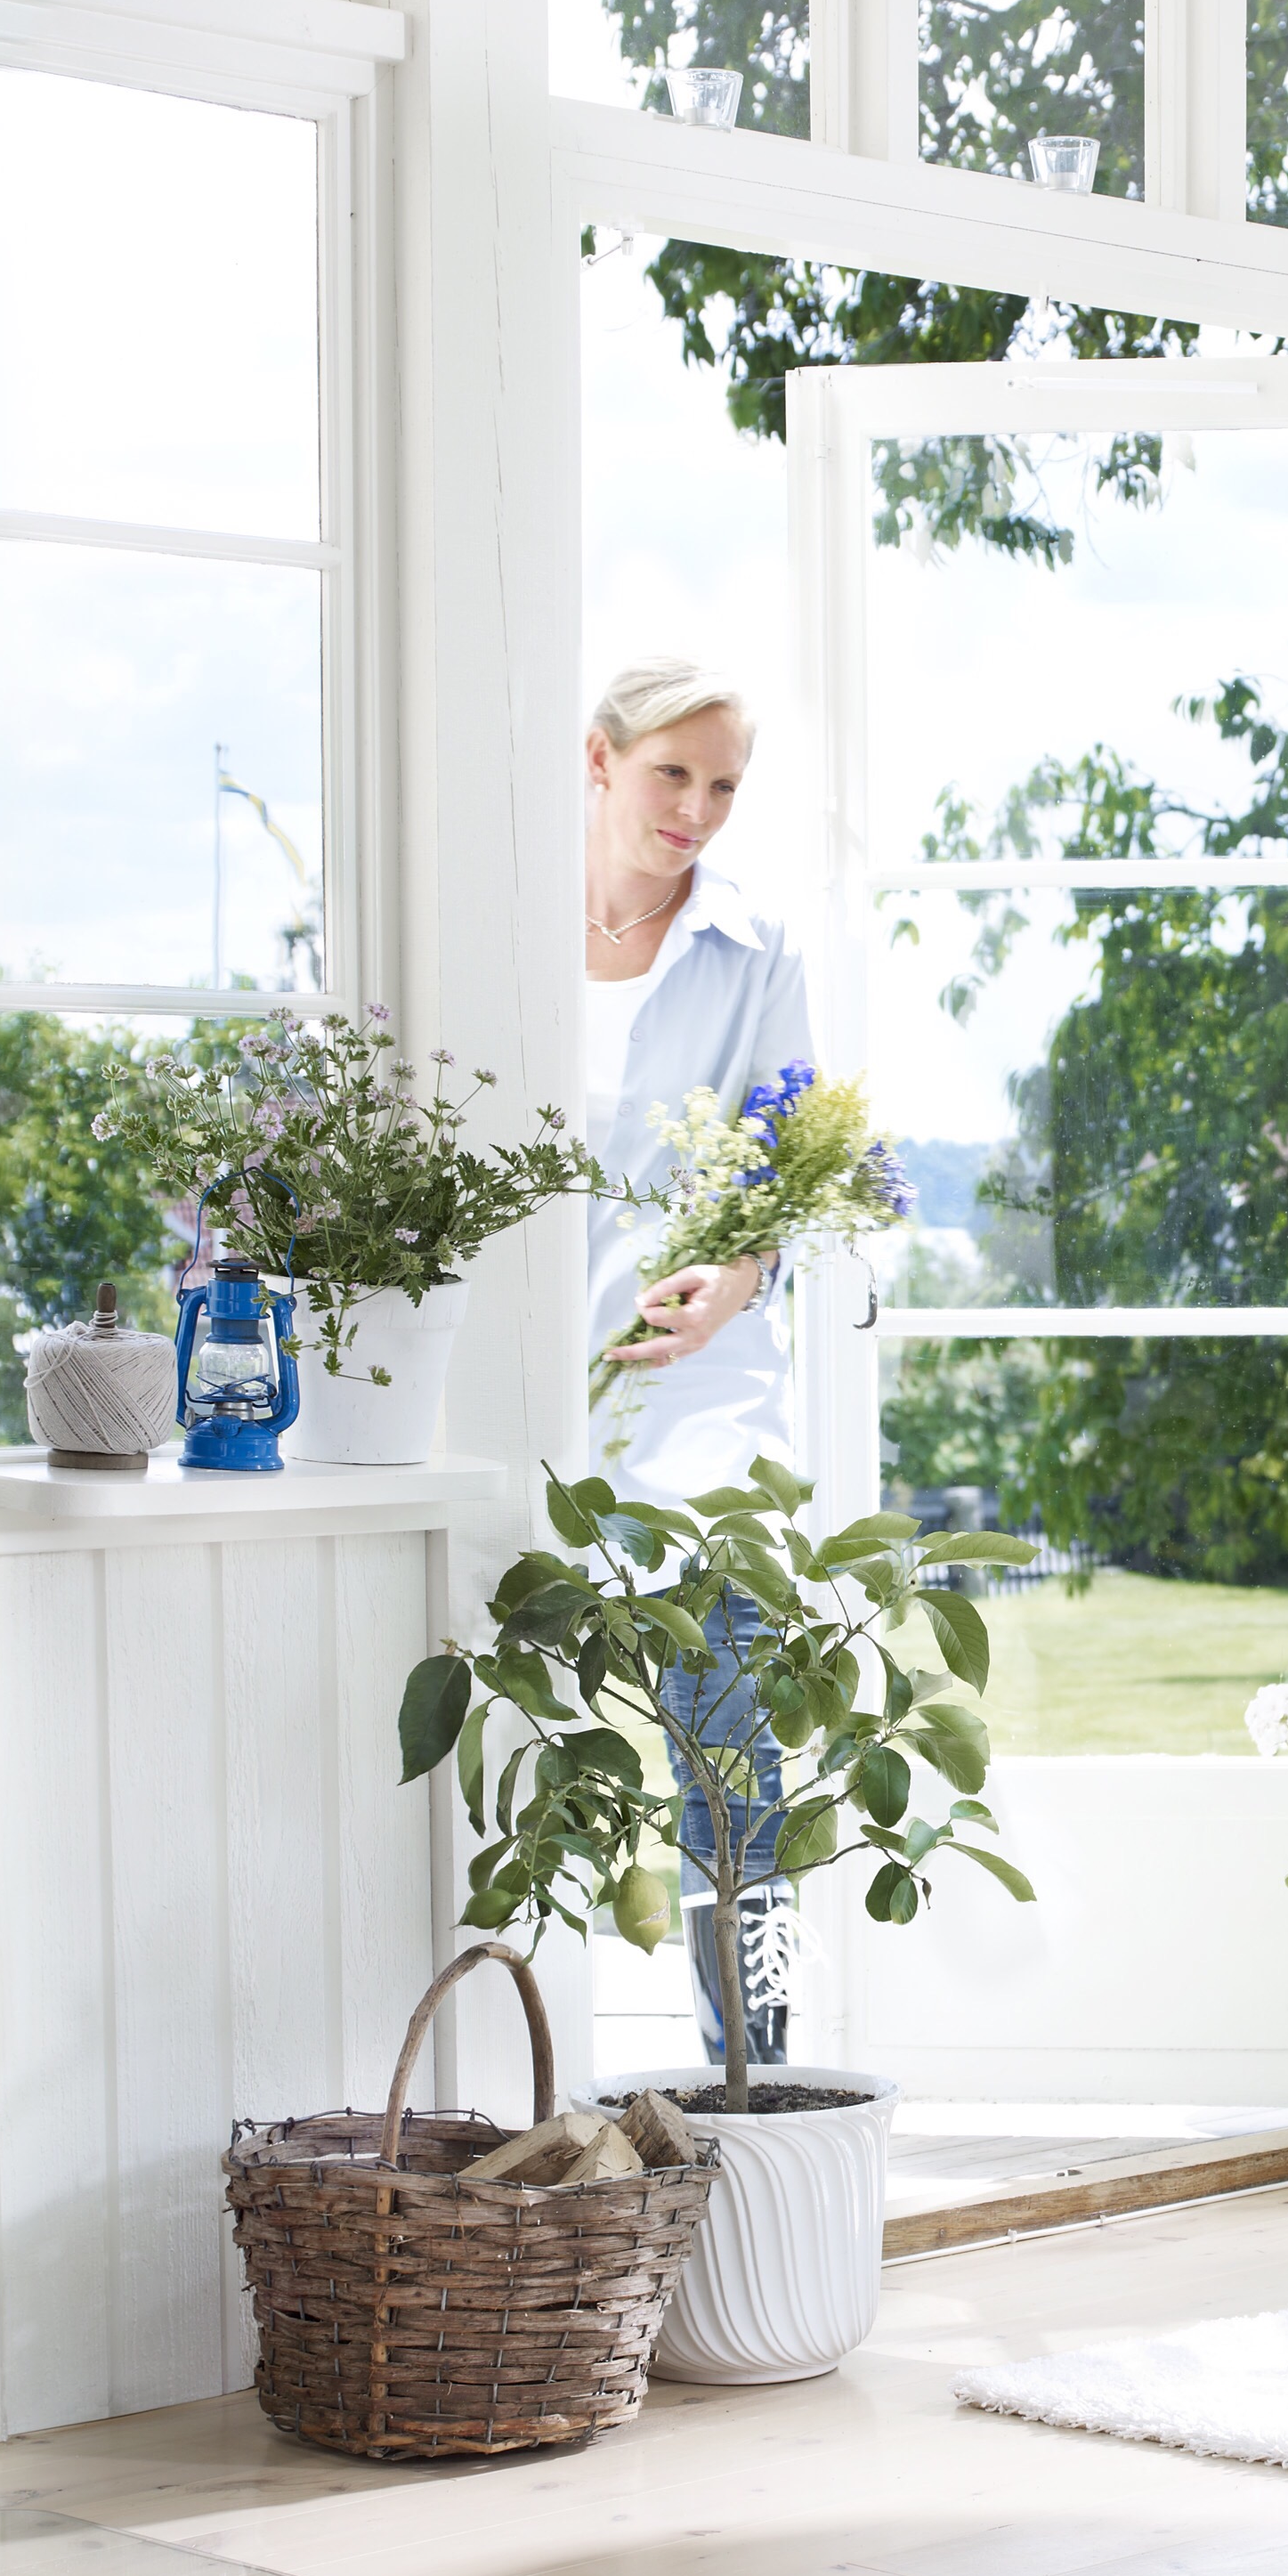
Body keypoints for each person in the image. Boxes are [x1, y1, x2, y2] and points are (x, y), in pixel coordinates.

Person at [579, 656, 810, 2068]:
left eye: (724, 785)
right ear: (599, 758)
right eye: (673, 772)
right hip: (519, 1407)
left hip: (698, 1416)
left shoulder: (753, 948)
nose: (698, 809)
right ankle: (509, 2087)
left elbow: (789, 1154)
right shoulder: (490, 925)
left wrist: (740, 1276)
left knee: (731, 1753)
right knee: (518, 1747)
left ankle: (757, 2077)